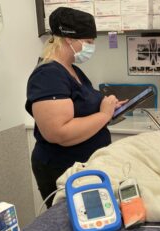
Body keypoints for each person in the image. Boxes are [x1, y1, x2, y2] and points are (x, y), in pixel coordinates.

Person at [25, 7, 127, 208]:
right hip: (63, 169)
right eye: (88, 42)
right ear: (69, 39)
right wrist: (104, 115)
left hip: (86, 166)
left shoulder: (73, 71)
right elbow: (59, 132)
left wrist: (109, 108)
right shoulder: (48, 75)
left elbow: (86, 109)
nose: (92, 47)